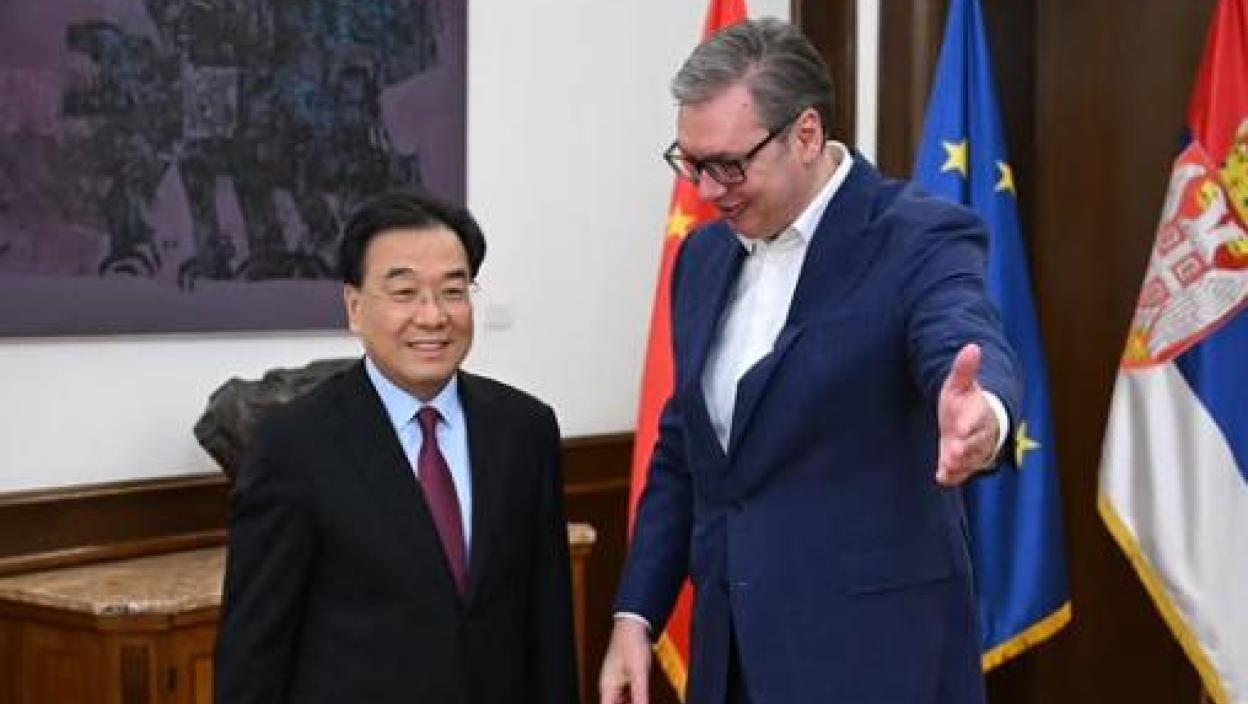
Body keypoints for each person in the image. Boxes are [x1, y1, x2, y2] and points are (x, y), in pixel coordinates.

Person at [599, 17, 1020, 704]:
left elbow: (961, 331)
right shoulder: (702, 256)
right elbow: (686, 451)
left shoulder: (915, 236)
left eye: (729, 165)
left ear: (805, 134)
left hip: (875, 664)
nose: (707, 190)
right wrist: (634, 615)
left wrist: (984, 414)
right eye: (691, 163)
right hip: (731, 661)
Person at [215, 191, 579, 704]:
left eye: (453, 291)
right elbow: (253, 652)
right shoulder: (293, 446)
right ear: (355, 308)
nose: (433, 316)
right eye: (405, 292)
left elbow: (549, 624)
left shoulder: (525, 430)